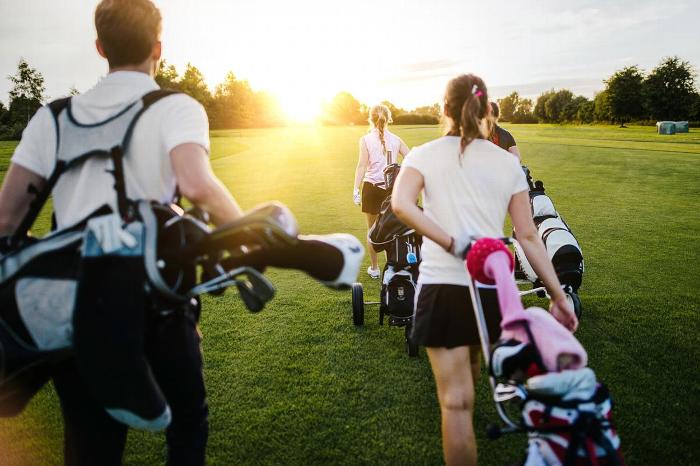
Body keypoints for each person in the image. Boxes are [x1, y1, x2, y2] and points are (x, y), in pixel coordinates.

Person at [0, 0, 361, 464]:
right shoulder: (175, 107)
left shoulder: (51, 119)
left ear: (99, 47)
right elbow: (196, 184)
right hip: (161, 302)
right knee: (188, 423)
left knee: (91, 444)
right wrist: (253, 240)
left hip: (81, 307)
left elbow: (8, 224)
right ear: (158, 48)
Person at [391, 74, 578, 466]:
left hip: (442, 290)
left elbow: (401, 205)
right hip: (492, 291)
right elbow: (528, 237)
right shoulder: (507, 162)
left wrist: (448, 242)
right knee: (470, 384)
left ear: (444, 109)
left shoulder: (422, 154)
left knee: (456, 403)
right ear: (486, 108)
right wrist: (559, 296)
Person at [352, 104, 409, 278]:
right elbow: (410, 157)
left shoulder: (365, 139)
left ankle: (375, 269)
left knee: (372, 230)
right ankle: (391, 268)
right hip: (392, 191)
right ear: (389, 118)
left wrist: (355, 189)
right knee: (391, 230)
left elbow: (362, 166)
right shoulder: (396, 139)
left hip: (371, 189)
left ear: (370, 118)